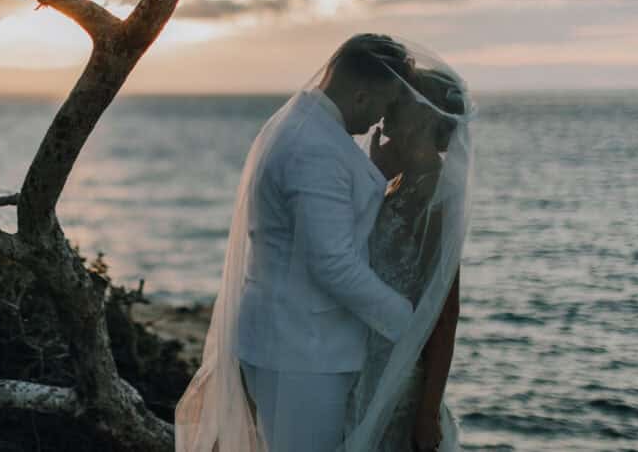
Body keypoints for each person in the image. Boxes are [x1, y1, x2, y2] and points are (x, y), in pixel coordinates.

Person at [175, 33, 421, 452]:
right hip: (298, 353)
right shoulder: (313, 147)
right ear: (362, 94)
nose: (384, 119)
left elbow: (333, 225)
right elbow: (332, 263)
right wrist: (409, 323)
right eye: (386, 103)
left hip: (297, 343)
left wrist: (375, 174)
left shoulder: (308, 128)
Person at [345, 67, 470, 451]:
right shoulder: (397, 183)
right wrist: (374, 177)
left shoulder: (436, 194)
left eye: (403, 99)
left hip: (399, 378)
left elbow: (444, 310)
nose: (390, 106)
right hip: (363, 361)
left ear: (428, 116)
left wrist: (427, 411)